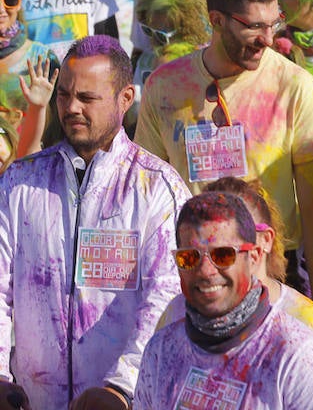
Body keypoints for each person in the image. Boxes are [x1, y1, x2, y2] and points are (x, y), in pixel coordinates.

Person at [135, 0, 313, 310]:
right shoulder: (165, 87)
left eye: (275, 23)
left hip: (268, 275)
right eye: (254, 27)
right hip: (189, 271)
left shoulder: (297, 89)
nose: (268, 39)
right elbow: (146, 194)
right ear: (216, 20)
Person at [0, 34, 190, 409]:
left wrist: (121, 387)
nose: (71, 107)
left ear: (125, 99)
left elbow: (167, 301)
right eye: (64, 95)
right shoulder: (20, 182)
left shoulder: (157, 188)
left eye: (87, 98)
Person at [150, 176, 313, 409]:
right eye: (191, 256)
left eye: (223, 252)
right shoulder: (170, 330)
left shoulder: (308, 335)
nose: (207, 270)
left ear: (260, 244)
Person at [0, 0, 57, 134]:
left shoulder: (42, 59)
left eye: (9, 0)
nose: (1, 9)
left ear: (19, 1)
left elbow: (56, 128)